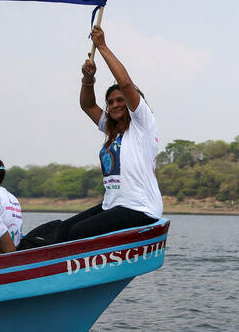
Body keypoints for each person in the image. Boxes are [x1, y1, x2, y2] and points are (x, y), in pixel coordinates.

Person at [54, 25, 164, 243]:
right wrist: (88, 79)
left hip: (140, 208)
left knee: (78, 233)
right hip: (112, 205)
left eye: (120, 100)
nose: (114, 105)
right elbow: (87, 105)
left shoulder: (142, 124)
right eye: (111, 102)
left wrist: (102, 46)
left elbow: (125, 83)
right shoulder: (112, 128)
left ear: (132, 102)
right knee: (64, 231)